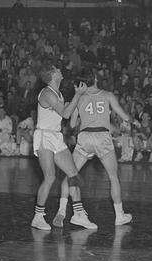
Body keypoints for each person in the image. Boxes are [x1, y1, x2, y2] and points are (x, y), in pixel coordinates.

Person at [53, 66, 137, 228]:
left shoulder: (79, 98)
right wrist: (132, 120)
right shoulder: (107, 95)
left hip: (85, 137)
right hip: (102, 137)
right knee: (113, 177)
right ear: (96, 79)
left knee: (71, 175)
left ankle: (62, 211)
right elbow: (124, 116)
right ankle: (119, 215)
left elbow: (71, 124)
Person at [30, 63, 96, 231]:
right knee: (50, 177)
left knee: (73, 174)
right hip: (44, 136)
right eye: (57, 70)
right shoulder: (47, 93)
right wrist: (77, 95)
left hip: (56, 135)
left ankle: (78, 214)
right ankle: (38, 217)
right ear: (53, 76)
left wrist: (76, 99)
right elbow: (65, 113)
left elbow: (66, 111)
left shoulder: (57, 93)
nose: (60, 71)